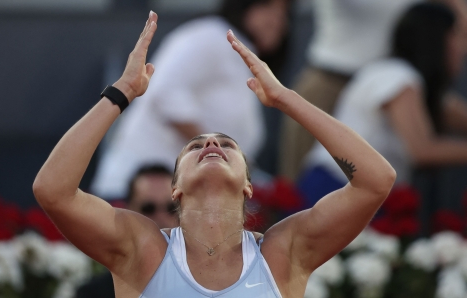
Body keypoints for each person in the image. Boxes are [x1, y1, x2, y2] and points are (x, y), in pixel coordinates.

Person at [33, 12, 396, 297]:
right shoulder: (141, 248)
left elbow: (377, 181)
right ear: (175, 189)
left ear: (249, 186)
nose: (210, 144)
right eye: (195, 146)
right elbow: (53, 191)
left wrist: (286, 98)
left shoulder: (283, 253)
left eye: (226, 144)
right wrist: (121, 92)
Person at [90, 0, 290, 199]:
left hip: (186, 201)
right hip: (138, 196)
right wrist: (218, 154)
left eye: (283, 13)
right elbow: (165, 94)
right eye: (266, 7)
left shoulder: (243, 58)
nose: (275, 21)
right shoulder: (211, 35)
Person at [299, 2, 467, 207]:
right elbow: (423, 150)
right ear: (438, 40)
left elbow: (455, 113)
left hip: (357, 191)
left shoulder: (406, 81)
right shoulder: (397, 77)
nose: (463, 48)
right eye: (458, 36)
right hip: (336, 190)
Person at [76, 164, 176, 298]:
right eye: (148, 208)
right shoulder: (94, 293)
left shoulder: (207, 283)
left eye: (171, 207)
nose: (161, 218)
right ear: (129, 211)